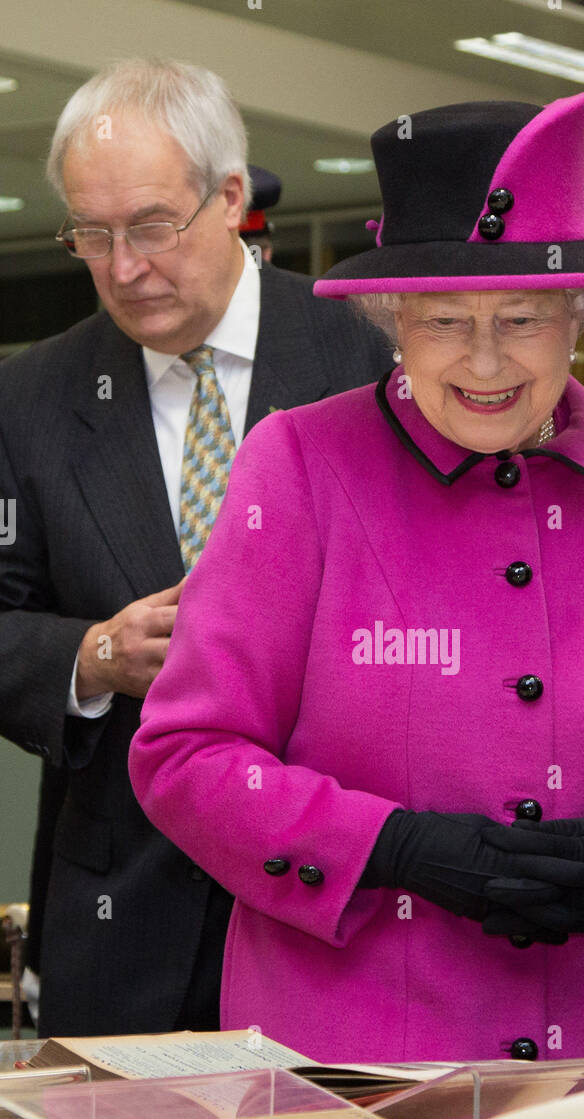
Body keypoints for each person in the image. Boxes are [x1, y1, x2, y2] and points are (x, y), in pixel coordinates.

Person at [129, 93, 584, 1063]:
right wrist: (392, 849)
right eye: (444, 319)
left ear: (579, 313)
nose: (484, 359)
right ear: (394, 318)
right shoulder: (301, 468)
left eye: (521, 317)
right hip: (347, 1082)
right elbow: (187, 754)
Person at [0, 58, 391, 1038]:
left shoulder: (371, 354)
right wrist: (92, 656)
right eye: (92, 236)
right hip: (122, 931)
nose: (123, 267)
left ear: (229, 199)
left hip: (351, 915)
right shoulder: (33, 396)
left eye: (150, 227)